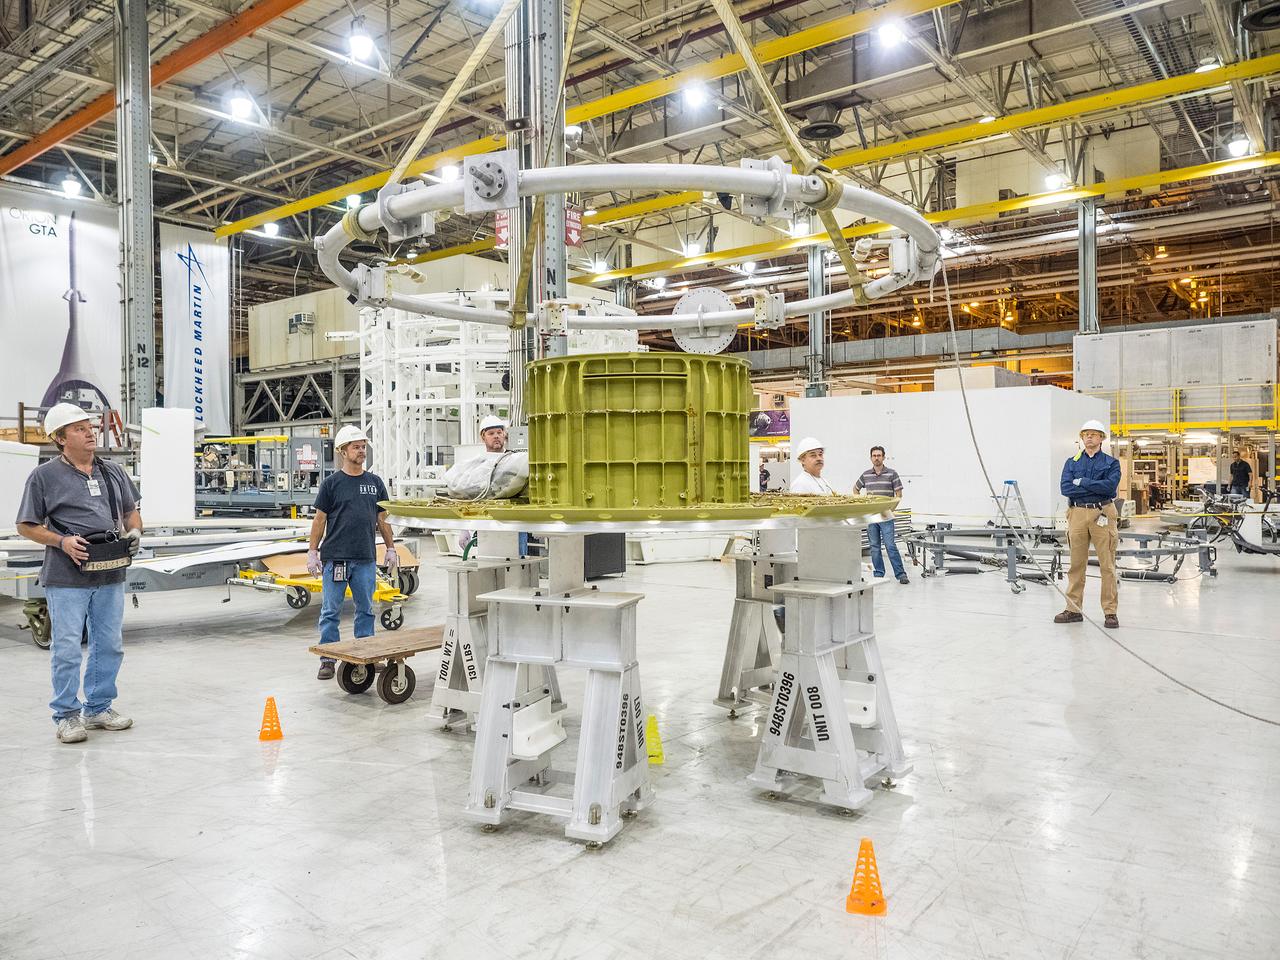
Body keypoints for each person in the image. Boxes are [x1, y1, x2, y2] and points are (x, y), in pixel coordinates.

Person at [16, 403, 143, 743]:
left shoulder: (113, 472)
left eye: (90, 426)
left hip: (110, 572)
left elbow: (131, 513)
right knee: (68, 647)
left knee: (109, 644)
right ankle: (67, 715)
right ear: (59, 438)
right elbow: (26, 525)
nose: (90, 432)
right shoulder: (44, 477)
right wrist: (61, 541)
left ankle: (98, 708)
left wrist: (135, 533)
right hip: (66, 575)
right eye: (79, 428)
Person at [308, 425, 397, 680]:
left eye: (363, 446)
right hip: (336, 558)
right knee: (330, 610)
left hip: (365, 557)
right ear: (342, 451)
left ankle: (366, 654)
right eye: (356, 447)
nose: (361, 451)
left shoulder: (375, 483)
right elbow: (319, 520)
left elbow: (383, 518)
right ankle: (328, 658)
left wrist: (390, 548)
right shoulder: (331, 484)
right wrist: (312, 551)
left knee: (366, 608)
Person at [1055, 419, 1121, 629]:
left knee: (1107, 565)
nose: (1089, 437)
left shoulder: (1111, 463)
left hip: (1102, 512)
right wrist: (1094, 487)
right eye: (1086, 434)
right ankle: (1073, 609)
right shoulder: (1072, 463)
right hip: (1077, 514)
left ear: (1102, 438)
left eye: (1094, 434)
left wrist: (1082, 482)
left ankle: (1110, 612)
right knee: (1076, 565)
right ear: (1082, 438)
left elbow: (1110, 488)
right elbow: (1066, 488)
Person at [854, 446, 909, 584]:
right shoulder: (866, 475)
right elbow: (855, 489)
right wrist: (862, 504)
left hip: (886, 516)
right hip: (871, 517)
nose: (876, 458)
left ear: (884, 457)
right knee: (874, 546)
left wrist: (891, 510)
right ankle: (879, 573)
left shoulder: (892, 474)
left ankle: (901, 574)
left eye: (879, 455)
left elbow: (899, 494)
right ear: (871, 458)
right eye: (874, 455)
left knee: (890, 545)